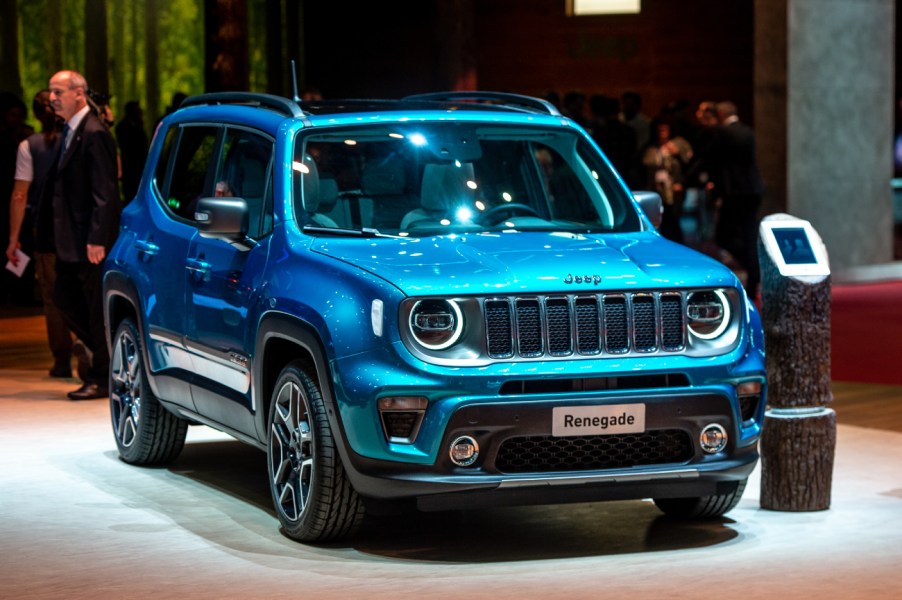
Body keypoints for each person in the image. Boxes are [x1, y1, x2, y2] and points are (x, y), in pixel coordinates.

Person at [7, 90, 91, 380]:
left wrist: (13, 238)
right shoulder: (79, 139)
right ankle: (86, 342)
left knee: (52, 296)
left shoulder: (28, 146)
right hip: (81, 231)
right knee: (83, 291)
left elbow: (20, 194)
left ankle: (61, 358)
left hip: (46, 233)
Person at [47, 70, 120, 400]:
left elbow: (105, 191)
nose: (52, 97)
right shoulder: (69, 130)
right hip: (69, 240)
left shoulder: (93, 132)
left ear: (79, 93)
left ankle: (103, 375)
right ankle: (105, 363)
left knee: (93, 306)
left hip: (89, 241)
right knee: (64, 297)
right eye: (50, 92)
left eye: (58, 91)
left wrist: (97, 238)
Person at [707, 100, 765, 299]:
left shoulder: (723, 133)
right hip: (753, 190)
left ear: (721, 114)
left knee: (723, 236)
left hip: (734, 192)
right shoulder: (748, 131)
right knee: (749, 235)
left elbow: (712, 160)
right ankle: (754, 273)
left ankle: (753, 268)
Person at [641, 117, 692, 243]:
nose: (662, 132)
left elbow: (689, 164)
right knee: (660, 219)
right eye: (659, 130)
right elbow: (644, 165)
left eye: (665, 130)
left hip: (674, 187)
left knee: (673, 218)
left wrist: (677, 154)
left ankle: (677, 243)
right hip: (656, 187)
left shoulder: (678, 143)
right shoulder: (651, 147)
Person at [115, 100, 148, 203]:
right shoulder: (124, 127)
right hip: (130, 168)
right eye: (138, 109)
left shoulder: (137, 125)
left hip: (139, 167)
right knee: (130, 195)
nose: (140, 112)